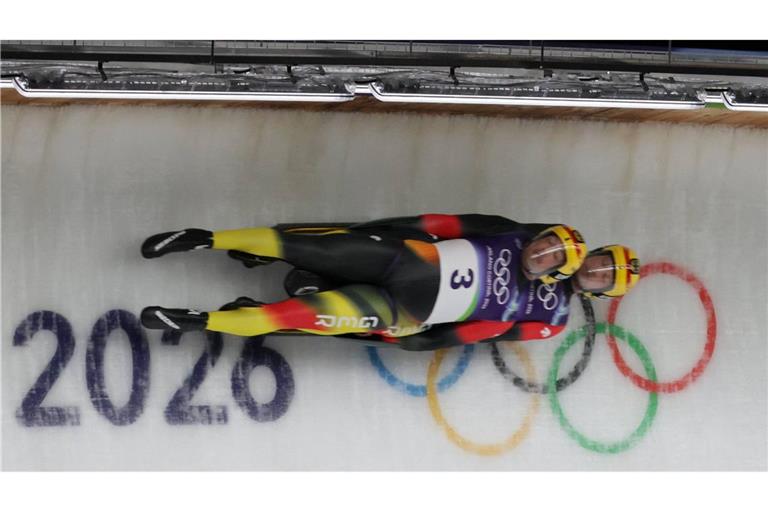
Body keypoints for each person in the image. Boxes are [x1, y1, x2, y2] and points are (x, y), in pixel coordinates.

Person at [139, 214, 633, 351]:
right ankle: (204, 238)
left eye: (602, 277)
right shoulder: (516, 231)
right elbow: (449, 222)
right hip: (409, 260)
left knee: (303, 317)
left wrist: (416, 342)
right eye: (544, 243)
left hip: (405, 312)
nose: (540, 252)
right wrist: (393, 228)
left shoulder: (549, 319)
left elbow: (481, 332)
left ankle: (200, 320)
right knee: (313, 246)